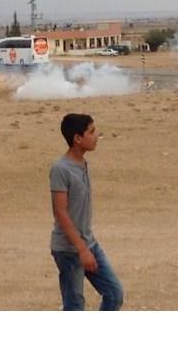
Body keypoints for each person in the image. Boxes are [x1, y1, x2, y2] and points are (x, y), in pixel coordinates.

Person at [49, 113, 123, 310]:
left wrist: (86, 247)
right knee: (74, 306)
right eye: (91, 132)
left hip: (89, 243)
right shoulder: (60, 169)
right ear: (77, 139)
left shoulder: (83, 164)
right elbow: (61, 212)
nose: (96, 135)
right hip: (68, 249)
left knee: (114, 294)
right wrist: (81, 249)